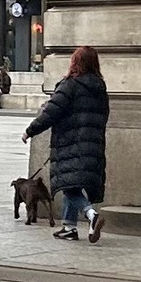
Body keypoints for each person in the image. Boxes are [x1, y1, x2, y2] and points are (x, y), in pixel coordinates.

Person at [24, 45, 110, 244]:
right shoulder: (99, 87)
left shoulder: (70, 85)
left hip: (70, 144)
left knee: (70, 186)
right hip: (93, 145)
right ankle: (69, 227)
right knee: (73, 183)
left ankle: (91, 215)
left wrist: (30, 131)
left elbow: (50, 113)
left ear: (75, 62)